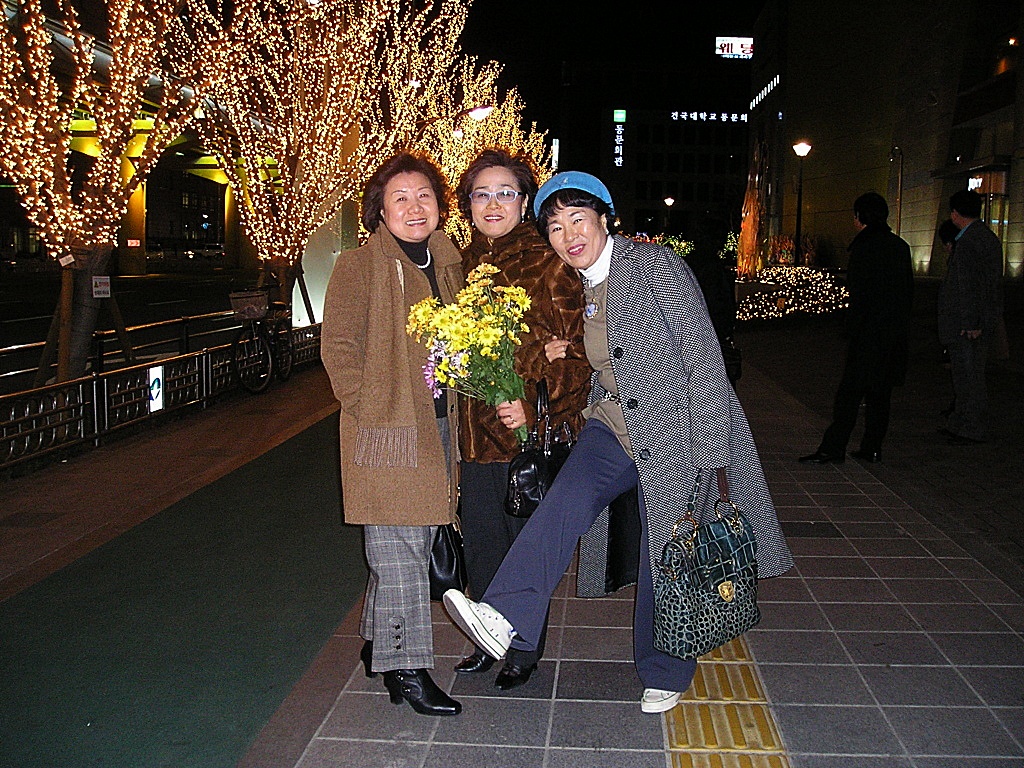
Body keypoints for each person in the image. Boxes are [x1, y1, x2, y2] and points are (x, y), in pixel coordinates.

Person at [442, 172, 792, 714]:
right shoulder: (581, 285)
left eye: (578, 220)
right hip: (610, 426)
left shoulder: (654, 266)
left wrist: (710, 452)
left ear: (605, 218)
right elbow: (597, 361)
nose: (568, 236)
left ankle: (665, 670)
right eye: (555, 227)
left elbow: (703, 358)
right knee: (561, 506)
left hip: (676, 431)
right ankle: (504, 613)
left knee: (666, 551)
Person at [320, 152, 463, 716]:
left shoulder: (449, 264)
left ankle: (377, 643)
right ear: (379, 210)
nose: (414, 206)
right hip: (387, 430)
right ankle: (408, 669)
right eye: (399, 197)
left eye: (424, 195)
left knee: (411, 542)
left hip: (441, 425)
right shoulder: (359, 266)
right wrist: (370, 406)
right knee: (400, 549)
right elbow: (338, 348)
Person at [453, 149, 592, 690]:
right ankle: (487, 640)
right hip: (472, 435)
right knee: (481, 542)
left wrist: (537, 404)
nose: (493, 204)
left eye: (505, 193)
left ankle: (524, 646)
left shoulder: (548, 263)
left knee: (523, 544)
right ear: (468, 204)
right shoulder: (461, 264)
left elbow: (581, 354)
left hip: (522, 437)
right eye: (481, 194)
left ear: (525, 201)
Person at [799, 192, 913, 464]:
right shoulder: (899, 246)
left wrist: (851, 326)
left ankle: (833, 447)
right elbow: (906, 293)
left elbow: (859, 293)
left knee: (849, 394)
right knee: (880, 395)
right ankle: (872, 447)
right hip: (892, 334)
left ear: (861, 217)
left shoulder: (864, 247)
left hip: (868, 334)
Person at [938, 189, 1005, 444]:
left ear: (956, 213)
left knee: (968, 377)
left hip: (966, 325)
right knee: (969, 375)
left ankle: (970, 426)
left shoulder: (969, 242)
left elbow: (969, 287)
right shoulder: (986, 237)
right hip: (975, 321)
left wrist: (970, 322)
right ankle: (961, 422)